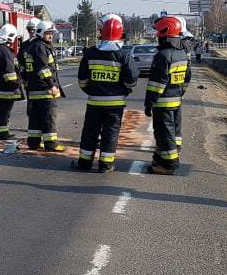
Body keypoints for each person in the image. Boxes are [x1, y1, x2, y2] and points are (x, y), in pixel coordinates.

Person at [73, 14, 139, 173]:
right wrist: (124, 91)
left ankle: (85, 163)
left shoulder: (90, 53)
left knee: (90, 132)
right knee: (111, 133)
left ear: (101, 32)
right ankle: (106, 165)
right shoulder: (123, 55)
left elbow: (82, 80)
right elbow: (132, 79)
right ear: (120, 32)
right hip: (115, 105)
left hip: (94, 102)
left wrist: (92, 91)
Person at [145, 16, 191, 174]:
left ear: (165, 33)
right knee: (172, 132)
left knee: (164, 134)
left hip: (163, 103)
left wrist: (149, 102)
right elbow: (186, 79)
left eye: (159, 34)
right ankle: (160, 158)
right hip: (176, 101)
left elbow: (156, 83)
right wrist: (180, 93)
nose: (157, 36)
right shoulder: (182, 54)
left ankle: (169, 164)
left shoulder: (163, 56)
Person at [21, 20, 65, 151]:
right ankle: (51, 144)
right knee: (48, 117)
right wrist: (52, 85)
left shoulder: (32, 46)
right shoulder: (40, 47)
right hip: (44, 90)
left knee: (35, 118)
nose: (51, 36)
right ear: (41, 33)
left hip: (34, 89)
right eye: (48, 33)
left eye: (52, 33)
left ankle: (33, 143)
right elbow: (43, 69)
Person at [0, 23, 24, 139]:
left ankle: (1, 131)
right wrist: (16, 85)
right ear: (10, 37)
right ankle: (2, 133)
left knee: (1, 110)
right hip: (6, 89)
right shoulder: (5, 52)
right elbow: (10, 73)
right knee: (5, 111)